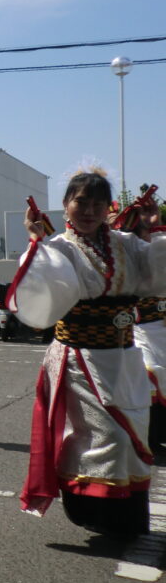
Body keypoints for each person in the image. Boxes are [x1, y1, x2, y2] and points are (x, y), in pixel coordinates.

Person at [8, 171, 166, 538]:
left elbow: (158, 277)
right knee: (102, 435)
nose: (89, 211)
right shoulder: (59, 247)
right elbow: (37, 297)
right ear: (67, 205)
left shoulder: (127, 243)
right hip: (81, 357)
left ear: (108, 207)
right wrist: (36, 242)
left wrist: (156, 230)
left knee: (131, 437)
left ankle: (123, 516)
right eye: (81, 202)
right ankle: (90, 509)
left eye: (97, 204)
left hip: (125, 355)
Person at [119, 193, 166, 452]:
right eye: (141, 231)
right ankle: (148, 440)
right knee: (149, 379)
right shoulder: (129, 259)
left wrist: (155, 227)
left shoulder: (160, 250)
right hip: (140, 330)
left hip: (162, 329)